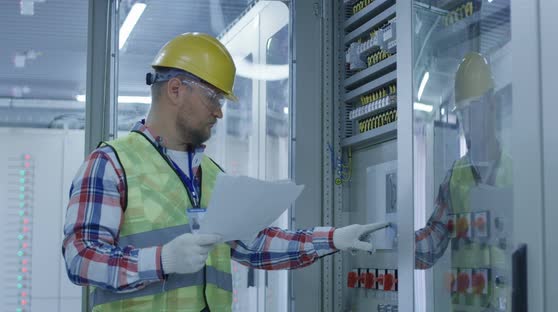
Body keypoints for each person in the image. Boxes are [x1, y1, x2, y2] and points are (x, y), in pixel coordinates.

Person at [62, 32, 388, 312]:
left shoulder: (211, 175)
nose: (219, 111)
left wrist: (334, 238)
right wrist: (160, 260)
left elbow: (254, 245)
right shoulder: (111, 164)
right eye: (213, 97)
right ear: (175, 90)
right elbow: (81, 257)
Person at [414, 52, 558, 311]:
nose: (467, 122)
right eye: (462, 113)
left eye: (473, 109)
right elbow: (432, 243)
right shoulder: (455, 177)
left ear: (492, 105)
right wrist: (394, 241)